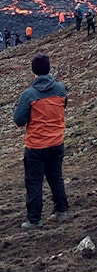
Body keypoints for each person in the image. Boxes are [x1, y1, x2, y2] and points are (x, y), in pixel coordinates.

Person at [13, 54, 69, 229]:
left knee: (34, 182)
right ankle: (61, 211)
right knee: (56, 177)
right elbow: (63, 105)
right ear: (49, 68)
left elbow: (19, 119)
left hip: (36, 146)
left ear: (33, 71)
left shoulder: (29, 94)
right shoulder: (60, 89)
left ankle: (34, 219)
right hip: (57, 142)